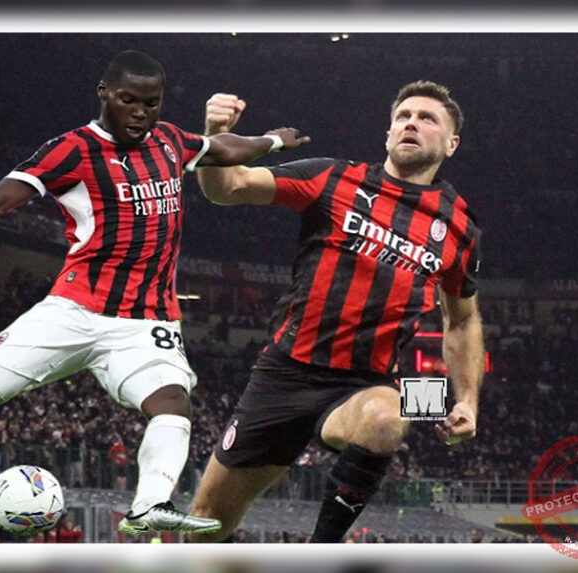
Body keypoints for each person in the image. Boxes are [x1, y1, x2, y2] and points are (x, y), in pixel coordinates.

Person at [0, 50, 309, 536]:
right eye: (128, 100)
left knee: (172, 402)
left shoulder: (168, 141)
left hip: (147, 321)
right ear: (104, 93)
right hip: (75, 310)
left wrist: (272, 140)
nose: (140, 113)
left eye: (151, 103)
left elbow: (220, 149)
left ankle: (149, 505)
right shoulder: (72, 150)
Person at [188, 82, 484, 543]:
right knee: (206, 522)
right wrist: (214, 137)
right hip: (284, 373)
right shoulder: (332, 177)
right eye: (403, 115)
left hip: (367, 382)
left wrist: (466, 400)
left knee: (390, 416)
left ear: (451, 144)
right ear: (388, 133)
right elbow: (227, 187)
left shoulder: (460, 228)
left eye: (427, 118)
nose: (411, 123)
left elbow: (462, 319)